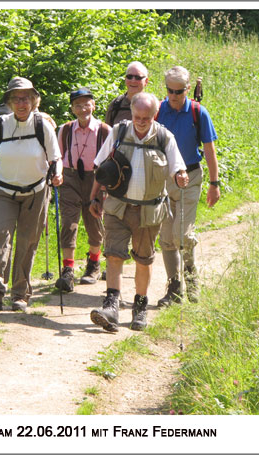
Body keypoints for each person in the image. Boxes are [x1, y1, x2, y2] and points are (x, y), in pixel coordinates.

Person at [88, 92, 188, 332]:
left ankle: (140, 307)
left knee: (143, 260)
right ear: (131, 113)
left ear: (154, 115)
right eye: (137, 116)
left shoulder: (164, 137)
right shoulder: (119, 133)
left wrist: (181, 175)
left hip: (149, 211)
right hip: (118, 205)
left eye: (146, 117)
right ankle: (111, 306)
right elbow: (100, 167)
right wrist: (94, 196)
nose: (141, 121)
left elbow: (177, 166)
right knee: (114, 255)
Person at [0, 77, 63, 312]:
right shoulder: (0, 125)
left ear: (34, 101)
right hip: (3, 190)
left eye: (26, 98)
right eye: (16, 98)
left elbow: (55, 158)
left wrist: (57, 175)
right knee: (0, 233)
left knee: (27, 242)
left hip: (36, 191)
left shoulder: (43, 126)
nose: (21, 103)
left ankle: (20, 294)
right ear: (9, 102)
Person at [156, 66, 220, 305]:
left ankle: (192, 282)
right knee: (166, 238)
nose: (174, 96)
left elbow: (210, 150)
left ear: (187, 88)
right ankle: (174, 289)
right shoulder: (158, 110)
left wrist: (215, 183)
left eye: (179, 91)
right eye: (170, 90)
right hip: (163, 179)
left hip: (190, 177)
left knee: (181, 235)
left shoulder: (197, 112)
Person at [54, 88, 111, 292]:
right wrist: (58, 173)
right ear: (72, 108)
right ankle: (67, 271)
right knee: (69, 223)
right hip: (69, 178)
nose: (82, 108)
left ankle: (93, 264)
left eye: (86, 104)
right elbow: (58, 155)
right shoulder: (66, 129)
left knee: (94, 221)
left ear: (93, 106)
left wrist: (103, 187)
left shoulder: (105, 130)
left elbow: (110, 161)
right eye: (78, 105)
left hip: (96, 179)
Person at [105, 61, 149, 126]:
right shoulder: (116, 105)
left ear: (146, 81)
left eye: (138, 78)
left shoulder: (152, 106)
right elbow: (108, 133)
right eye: (129, 77)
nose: (133, 81)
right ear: (125, 79)